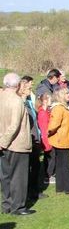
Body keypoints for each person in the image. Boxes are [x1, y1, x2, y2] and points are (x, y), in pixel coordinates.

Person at [0, 73, 35, 215]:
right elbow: (14, 125)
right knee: (18, 177)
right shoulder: (16, 101)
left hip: (4, 143)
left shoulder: (1, 97)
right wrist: (3, 141)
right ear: (17, 84)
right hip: (16, 143)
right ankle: (18, 207)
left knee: (5, 176)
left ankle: (6, 205)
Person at [18, 77, 47, 201]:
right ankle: (28, 193)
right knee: (28, 168)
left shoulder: (29, 102)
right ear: (23, 89)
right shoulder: (21, 103)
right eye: (29, 88)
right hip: (28, 139)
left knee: (35, 167)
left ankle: (34, 191)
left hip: (35, 138)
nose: (31, 90)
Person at [48, 87, 69, 196]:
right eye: (66, 93)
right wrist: (49, 132)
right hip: (61, 140)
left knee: (60, 165)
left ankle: (60, 187)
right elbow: (53, 124)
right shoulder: (59, 108)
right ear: (60, 95)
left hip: (63, 139)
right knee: (65, 165)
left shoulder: (65, 107)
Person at [37, 92, 55, 184]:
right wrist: (46, 142)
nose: (51, 101)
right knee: (49, 157)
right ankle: (48, 176)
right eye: (49, 99)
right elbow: (44, 129)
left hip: (49, 138)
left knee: (50, 157)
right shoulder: (42, 113)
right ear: (44, 101)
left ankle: (49, 174)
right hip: (47, 139)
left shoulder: (46, 111)